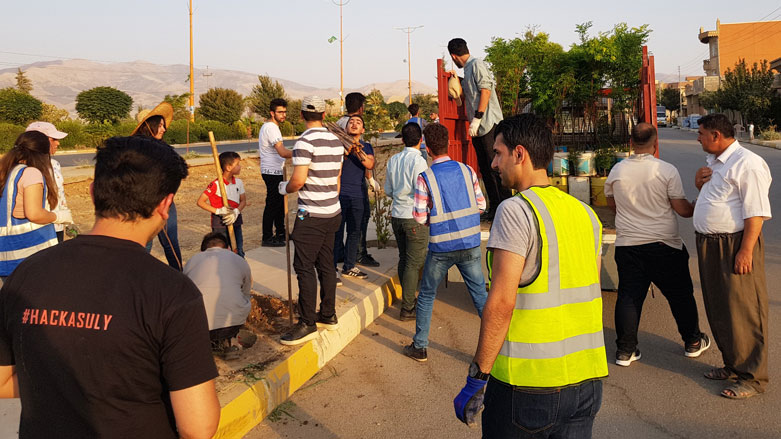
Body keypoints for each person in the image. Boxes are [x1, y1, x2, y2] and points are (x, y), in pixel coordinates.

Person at [0, 135, 220, 438]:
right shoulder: (172, 292)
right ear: (165, 203)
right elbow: (198, 426)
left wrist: (62, 384)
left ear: (92, 193)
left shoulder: (25, 275)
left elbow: (2, 381)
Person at [454, 114, 606, 435]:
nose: (494, 164)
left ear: (519, 154)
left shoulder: (516, 210)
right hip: (586, 383)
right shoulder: (586, 214)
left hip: (528, 388)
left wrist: (478, 376)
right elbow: (590, 290)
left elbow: (501, 304)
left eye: (498, 153)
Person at [605, 122, 710, 367]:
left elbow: (612, 204)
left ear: (631, 143)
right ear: (655, 144)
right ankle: (693, 342)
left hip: (628, 245)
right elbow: (683, 211)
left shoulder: (617, 172)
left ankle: (625, 351)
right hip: (664, 245)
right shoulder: (666, 170)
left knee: (629, 297)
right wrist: (698, 201)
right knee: (680, 295)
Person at [694, 113, 772, 400]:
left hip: (735, 244)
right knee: (719, 306)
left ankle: (752, 377)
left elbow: (756, 213)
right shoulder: (714, 163)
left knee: (744, 310)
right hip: (710, 244)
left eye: (701, 133)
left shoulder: (748, 164)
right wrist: (699, 184)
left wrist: (745, 251)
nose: (698, 138)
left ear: (716, 135)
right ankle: (732, 365)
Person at [403, 123, 488, 361]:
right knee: (480, 296)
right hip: (470, 244)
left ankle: (420, 347)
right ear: (449, 143)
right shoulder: (467, 170)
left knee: (428, 294)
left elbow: (419, 216)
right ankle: (500, 347)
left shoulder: (425, 178)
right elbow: (481, 206)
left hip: (441, 248)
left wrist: (436, 219)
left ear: (427, 149)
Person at [278, 96, 344, 345]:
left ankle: (307, 322)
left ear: (302, 115)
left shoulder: (304, 141)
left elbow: (298, 181)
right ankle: (327, 314)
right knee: (326, 265)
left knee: (304, 267)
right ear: (324, 115)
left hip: (311, 214)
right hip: (332, 212)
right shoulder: (336, 141)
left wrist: (283, 188)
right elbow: (337, 178)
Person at [448, 38, 511, 221]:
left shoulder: (477, 64)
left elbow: (486, 90)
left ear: (454, 56)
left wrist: (478, 117)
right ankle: (495, 208)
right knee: (486, 168)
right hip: (478, 128)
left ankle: (506, 208)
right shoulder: (467, 70)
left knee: (497, 167)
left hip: (488, 124)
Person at [0, 131, 67, 279]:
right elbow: (33, 214)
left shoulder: (6, 171)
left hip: (5, 254)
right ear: (42, 154)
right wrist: (58, 216)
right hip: (27, 253)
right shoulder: (31, 173)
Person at [385, 123, 430, 321]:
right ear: (421, 140)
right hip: (414, 216)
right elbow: (422, 190)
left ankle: (408, 299)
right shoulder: (419, 161)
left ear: (402, 139)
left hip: (397, 215)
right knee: (413, 263)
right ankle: (408, 307)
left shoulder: (393, 160)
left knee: (404, 259)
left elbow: (388, 190)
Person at [185, 232, 253, 359]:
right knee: (243, 300)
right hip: (230, 324)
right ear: (226, 247)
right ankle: (231, 342)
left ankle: (200, 346)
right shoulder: (238, 259)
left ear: (203, 249)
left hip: (198, 327)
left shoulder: (192, 260)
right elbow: (246, 291)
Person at [133, 102, 183, 270]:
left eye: (163, 125)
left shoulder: (163, 148)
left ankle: (178, 275)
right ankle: (138, 278)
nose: (164, 129)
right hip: (147, 202)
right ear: (150, 126)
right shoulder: (137, 151)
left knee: (170, 242)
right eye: (160, 125)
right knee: (145, 242)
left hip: (165, 201)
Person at [334, 115, 375, 279]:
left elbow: (369, 164)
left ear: (362, 130)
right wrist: (346, 150)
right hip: (339, 194)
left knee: (354, 231)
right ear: (345, 128)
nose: (354, 124)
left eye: (358, 122)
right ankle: (331, 268)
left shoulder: (367, 146)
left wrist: (357, 149)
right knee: (337, 232)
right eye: (351, 122)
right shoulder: (338, 146)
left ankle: (349, 266)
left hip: (357, 194)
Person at [25, 122, 73, 243]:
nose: (58, 143)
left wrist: (67, 221)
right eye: (54, 139)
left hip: (57, 226)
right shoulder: (25, 169)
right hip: (38, 228)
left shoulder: (55, 164)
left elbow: (59, 194)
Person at [197, 151, 246, 257]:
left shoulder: (239, 182)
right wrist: (218, 211)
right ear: (228, 167)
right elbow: (200, 202)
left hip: (236, 221)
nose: (240, 167)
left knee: (238, 250)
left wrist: (236, 212)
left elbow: (243, 201)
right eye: (237, 164)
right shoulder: (215, 184)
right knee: (221, 251)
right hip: (219, 224)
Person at [259, 98, 291, 247]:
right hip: (272, 171)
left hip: (275, 170)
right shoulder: (271, 128)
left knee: (278, 203)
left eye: (284, 112)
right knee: (272, 204)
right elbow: (283, 152)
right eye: (280, 112)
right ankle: (267, 237)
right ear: (272, 113)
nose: (283, 115)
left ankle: (280, 233)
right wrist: (302, 153)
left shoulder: (271, 127)